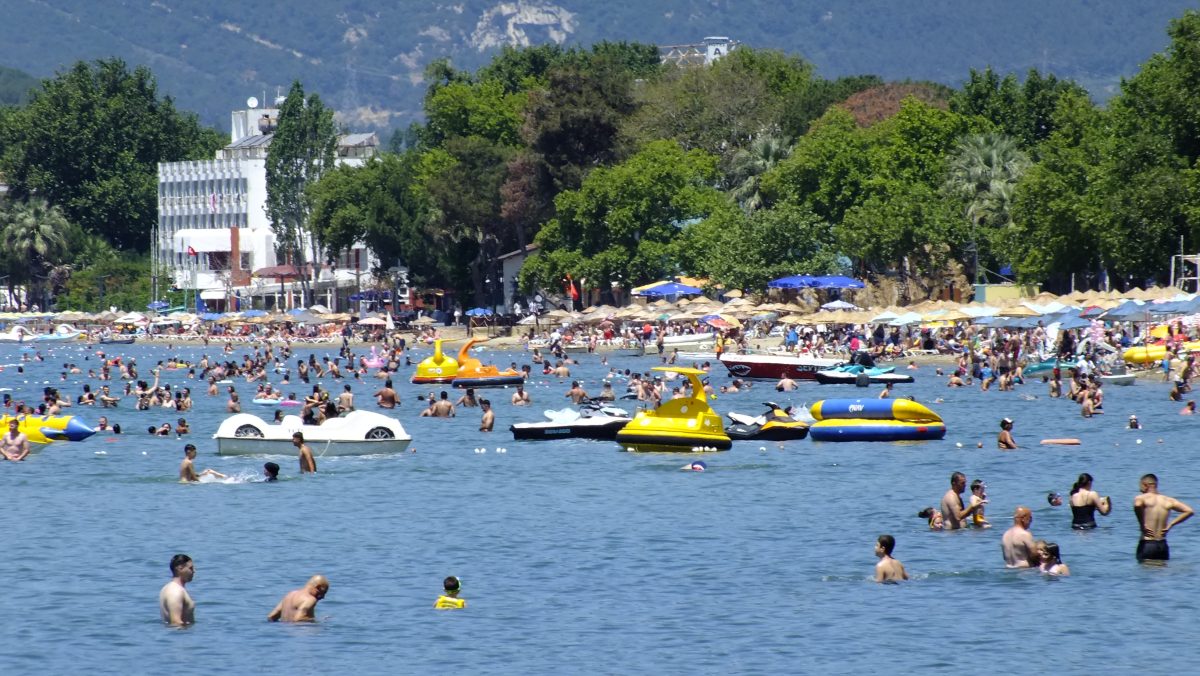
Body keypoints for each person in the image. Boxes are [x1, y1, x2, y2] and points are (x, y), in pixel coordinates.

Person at [1134, 473, 1194, 562]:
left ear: (1145, 485)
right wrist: (1171, 525)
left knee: (1145, 572)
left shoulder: (1141, 498)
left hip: (1147, 544)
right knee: (1161, 572)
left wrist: (1142, 525)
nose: (1140, 489)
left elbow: (1137, 505)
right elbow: (1189, 511)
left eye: (1140, 486)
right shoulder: (1168, 500)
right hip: (1162, 545)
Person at [159, 554, 196, 626]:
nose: (194, 571)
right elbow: (176, 623)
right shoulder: (175, 592)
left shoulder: (168, 588)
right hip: (182, 635)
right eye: (190, 568)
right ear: (180, 568)